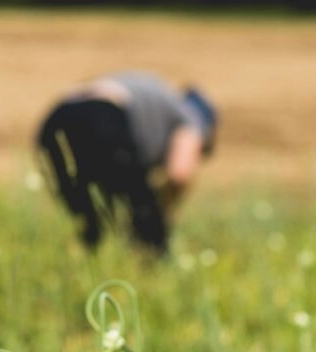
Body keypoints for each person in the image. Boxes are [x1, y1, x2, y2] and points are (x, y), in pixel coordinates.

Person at [36, 71, 217, 254]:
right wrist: (163, 209)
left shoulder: (159, 102)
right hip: (102, 117)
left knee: (90, 223)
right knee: (148, 232)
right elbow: (179, 174)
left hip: (55, 119)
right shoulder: (192, 117)